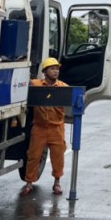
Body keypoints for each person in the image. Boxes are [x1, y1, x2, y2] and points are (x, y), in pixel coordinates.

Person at [20, 57, 68, 196]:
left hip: (56, 128)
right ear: (45, 71)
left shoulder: (64, 88)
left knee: (58, 157)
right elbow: (24, 84)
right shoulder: (36, 84)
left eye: (57, 69)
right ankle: (29, 183)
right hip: (39, 127)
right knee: (33, 156)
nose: (55, 71)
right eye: (52, 69)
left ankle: (57, 183)